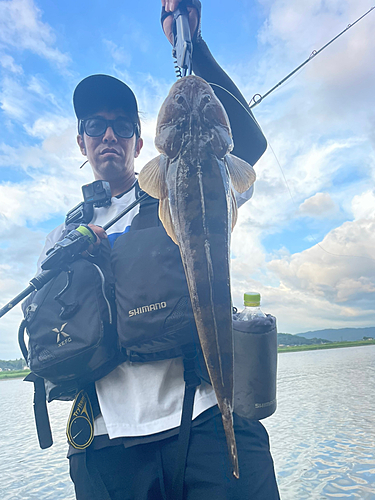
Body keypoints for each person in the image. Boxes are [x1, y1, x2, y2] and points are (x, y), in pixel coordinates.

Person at [32, 1, 280, 498]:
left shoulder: (184, 185)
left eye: (123, 126)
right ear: (81, 142)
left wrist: (190, 46)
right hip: (106, 448)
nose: (109, 135)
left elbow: (247, 146)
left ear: (142, 141)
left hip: (205, 417)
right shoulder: (61, 239)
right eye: (95, 125)